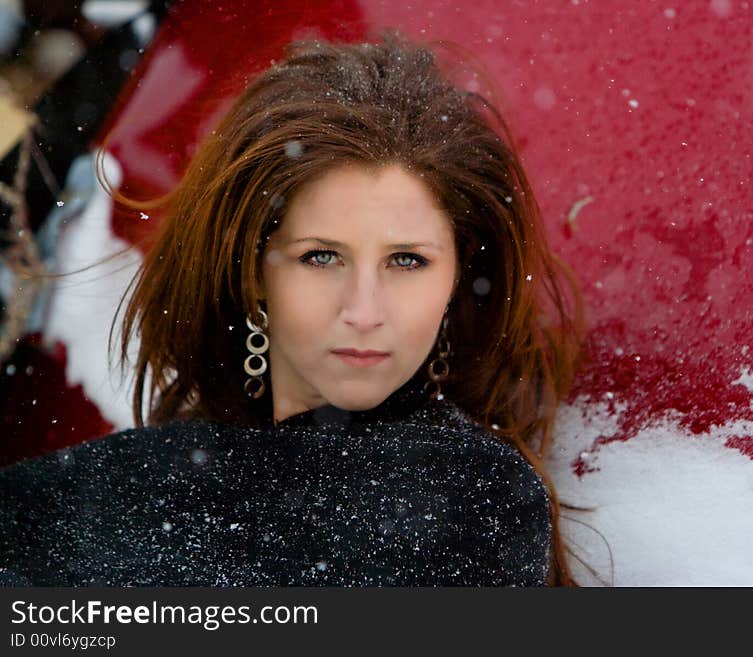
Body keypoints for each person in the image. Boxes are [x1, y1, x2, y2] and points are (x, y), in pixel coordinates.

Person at [0, 32, 588, 586]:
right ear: (253, 274)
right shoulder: (110, 491)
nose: (363, 310)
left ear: (459, 280)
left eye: (407, 261)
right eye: (321, 258)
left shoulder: (474, 500)